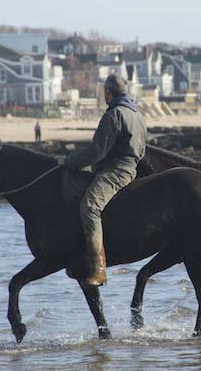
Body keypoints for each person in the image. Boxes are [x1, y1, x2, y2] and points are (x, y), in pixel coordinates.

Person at [58, 74, 146, 286]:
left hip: (116, 171)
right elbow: (142, 150)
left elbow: (96, 152)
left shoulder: (114, 115)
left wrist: (69, 161)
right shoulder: (137, 114)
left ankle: (98, 269)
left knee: (89, 207)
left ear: (108, 92)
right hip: (131, 168)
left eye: (104, 92)